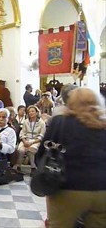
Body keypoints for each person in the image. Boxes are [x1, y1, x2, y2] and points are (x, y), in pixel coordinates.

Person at [37, 88, 106, 228]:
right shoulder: (103, 124)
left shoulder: (60, 121)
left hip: (69, 187)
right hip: (102, 189)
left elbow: (42, 152)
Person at [13, 105, 46, 175]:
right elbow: (22, 133)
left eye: (32, 111)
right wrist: (24, 141)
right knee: (21, 150)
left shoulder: (41, 123)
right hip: (26, 140)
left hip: (35, 140)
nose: (31, 113)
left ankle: (33, 168)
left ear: (37, 112)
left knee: (30, 149)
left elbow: (42, 135)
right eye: (29, 112)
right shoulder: (26, 121)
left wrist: (32, 142)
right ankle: (18, 166)